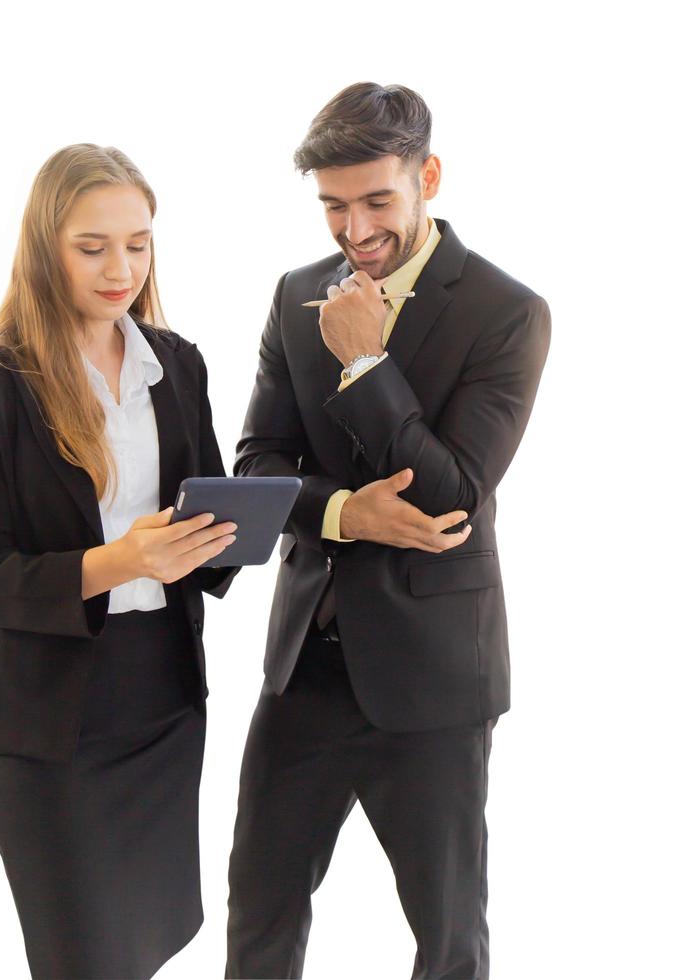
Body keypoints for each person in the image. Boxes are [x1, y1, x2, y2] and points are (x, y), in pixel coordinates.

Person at [225, 83, 551, 979]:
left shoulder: (507, 313)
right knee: (258, 917)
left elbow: (450, 498)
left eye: (376, 200)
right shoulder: (296, 295)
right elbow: (256, 465)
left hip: (435, 678)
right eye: (333, 206)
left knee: (448, 939)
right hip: (304, 673)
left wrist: (366, 359)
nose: (353, 229)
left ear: (428, 177)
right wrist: (341, 511)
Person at [0, 143, 238, 980]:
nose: (121, 268)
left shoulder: (176, 363)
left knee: (143, 949)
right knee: (82, 960)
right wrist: (119, 559)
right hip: (48, 719)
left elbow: (202, 526)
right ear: (44, 246)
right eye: (92, 246)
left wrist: (223, 540)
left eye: (138, 243)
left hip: (162, 703)